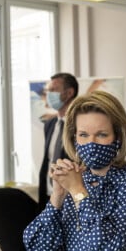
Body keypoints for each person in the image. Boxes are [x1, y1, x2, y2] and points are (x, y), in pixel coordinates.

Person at [23, 90, 126, 251]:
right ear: (74, 138)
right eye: (83, 135)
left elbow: (108, 249)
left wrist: (78, 191)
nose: (91, 143)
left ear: (118, 137)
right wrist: (57, 197)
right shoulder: (74, 180)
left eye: (101, 135)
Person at [38, 72, 79, 212]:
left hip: (72, 198)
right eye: (48, 90)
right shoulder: (50, 124)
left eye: (53, 90)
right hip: (49, 195)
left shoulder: (81, 125)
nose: (48, 94)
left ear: (69, 93)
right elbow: (48, 160)